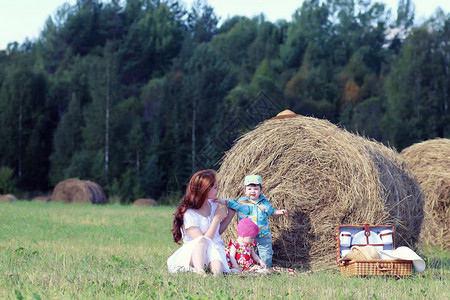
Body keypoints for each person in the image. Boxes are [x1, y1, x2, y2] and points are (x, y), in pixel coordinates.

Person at [167, 169, 235, 276]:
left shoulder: (213, 205)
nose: (219, 189)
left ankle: (214, 277)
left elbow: (217, 232)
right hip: (195, 252)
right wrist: (216, 219)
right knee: (201, 241)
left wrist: (230, 214)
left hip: (214, 248)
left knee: (218, 268)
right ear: (206, 191)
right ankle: (200, 271)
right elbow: (203, 241)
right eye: (215, 187)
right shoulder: (189, 214)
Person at [213, 174, 287, 268]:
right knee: (248, 253)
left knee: (265, 254)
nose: (253, 191)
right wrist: (219, 200)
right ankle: (251, 268)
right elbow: (230, 202)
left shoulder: (264, 202)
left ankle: (266, 269)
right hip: (248, 236)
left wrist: (279, 212)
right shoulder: (241, 203)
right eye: (249, 189)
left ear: (260, 190)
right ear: (245, 190)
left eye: (256, 189)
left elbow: (271, 211)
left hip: (263, 234)